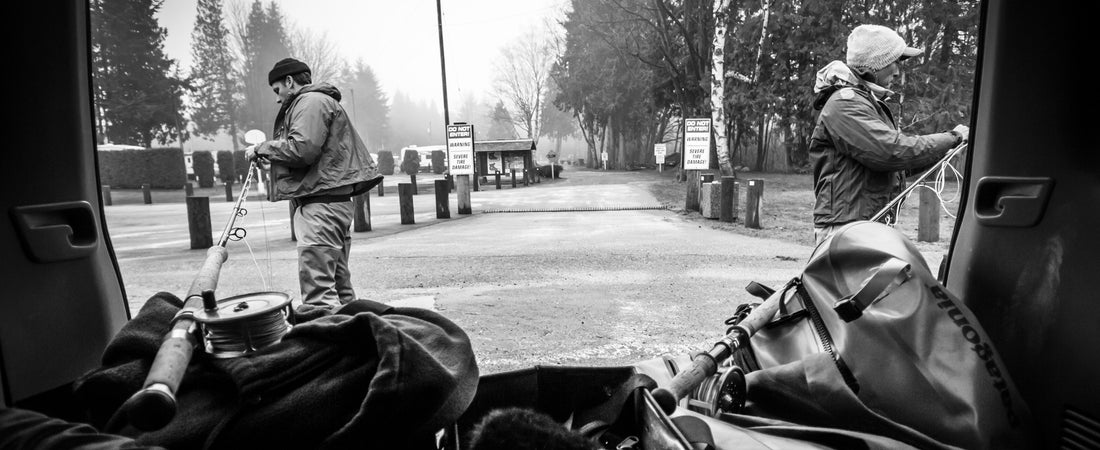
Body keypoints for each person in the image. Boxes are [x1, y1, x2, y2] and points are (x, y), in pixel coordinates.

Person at [808, 24, 968, 245]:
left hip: (864, 226)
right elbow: (890, 152)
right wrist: (952, 137)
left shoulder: (863, 102)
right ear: (875, 65)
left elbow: (899, 164)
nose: (897, 71)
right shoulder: (845, 103)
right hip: (847, 230)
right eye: (895, 62)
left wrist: (946, 149)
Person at [248, 58, 382, 305]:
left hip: (322, 208)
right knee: (340, 290)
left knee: (318, 294)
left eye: (277, 90)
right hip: (332, 202)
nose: (277, 98)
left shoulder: (309, 102)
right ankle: (353, 339)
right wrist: (274, 158)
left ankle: (327, 342)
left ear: (289, 81)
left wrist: (262, 148)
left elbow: (303, 149)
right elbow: (312, 154)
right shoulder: (318, 101)